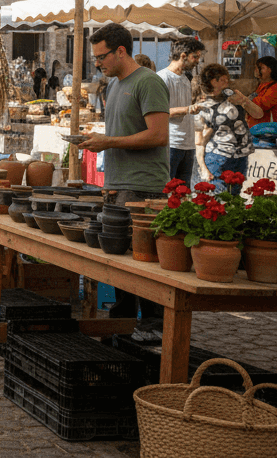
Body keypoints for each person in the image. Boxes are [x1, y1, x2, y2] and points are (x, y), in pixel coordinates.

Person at [77, 23, 170, 325]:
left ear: (120, 51)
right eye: (95, 58)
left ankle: (154, 334)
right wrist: (100, 141)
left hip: (143, 188)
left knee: (146, 273)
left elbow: (159, 135)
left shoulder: (148, 82)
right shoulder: (115, 85)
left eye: (101, 56)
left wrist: (108, 142)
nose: (97, 63)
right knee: (121, 272)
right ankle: (123, 332)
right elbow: (124, 132)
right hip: (119, 185)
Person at [195, 64, 262, 190]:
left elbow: (258, 114)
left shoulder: (235, 99)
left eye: (227, 79)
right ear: (213, 82)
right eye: (223, 80)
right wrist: (203, 168)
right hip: (218, 157)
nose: (227, 83)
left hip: (240, 157)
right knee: (219, 197)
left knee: (235, 197)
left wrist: (244, 100)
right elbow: (199, 142)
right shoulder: (204, 107)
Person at [158, 38, 207, 185]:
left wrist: (194, 108)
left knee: (184, 192)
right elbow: (159, 112)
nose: (197, 61)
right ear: (183, 56)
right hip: (170, 143)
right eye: (195, 57)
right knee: (166, 189)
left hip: (188, 143)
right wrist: (188, 109)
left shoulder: (185, 79)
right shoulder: (162, 78)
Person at [250, 56, 277, 126]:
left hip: (271, 128)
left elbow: (262, 105)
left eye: (262, 68)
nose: (258, 71)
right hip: (259, 127)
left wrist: (247, 100)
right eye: (257, 68)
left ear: (270, 70)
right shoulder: (262, 85)